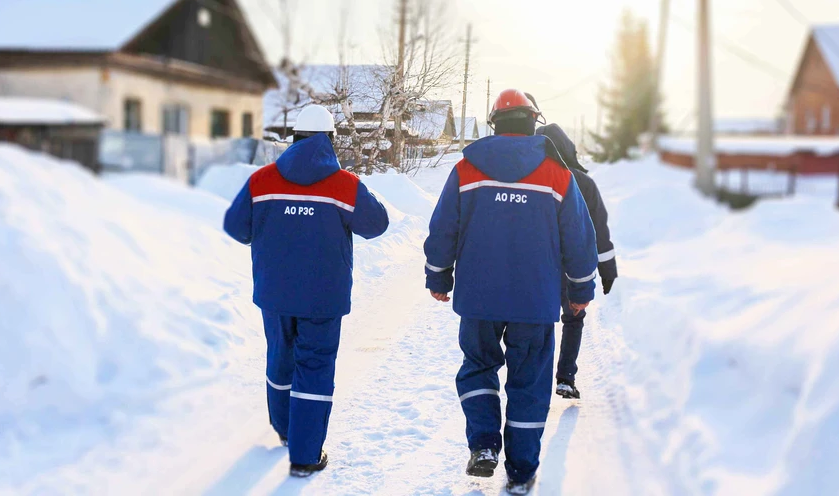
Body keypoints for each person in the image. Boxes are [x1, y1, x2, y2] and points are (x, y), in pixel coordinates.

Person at [424, 89, 599, 495]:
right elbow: (579, 238)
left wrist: (438, 277)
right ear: (532, 121)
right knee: (530, 383)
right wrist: (580, 289)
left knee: (478, 367)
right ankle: (521, 470)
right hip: (534, 302)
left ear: (494, 124)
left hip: (479, 298)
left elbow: (442, 228)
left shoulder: (466, 170)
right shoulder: (557, 174)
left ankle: (484, 446)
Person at [223, 104, 389, 478]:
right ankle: (304, 454)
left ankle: (284, 430)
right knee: (314, 366)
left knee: (281, 358)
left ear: (293, 138)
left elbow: (236, 226)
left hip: (275, 293)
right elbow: (376, 224)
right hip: (323, 298)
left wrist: (265, 231)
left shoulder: (262, 180)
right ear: (330, 139)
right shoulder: (345, 184)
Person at [536, 121, 618, 400]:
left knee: (540, 322)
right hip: (575, 267)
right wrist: (607, 268)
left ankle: (536, 378)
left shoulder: (531, 180)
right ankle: (565, 378)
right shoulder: (584, 182)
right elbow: (599, 230)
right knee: (573, 319)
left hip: (539, 266)